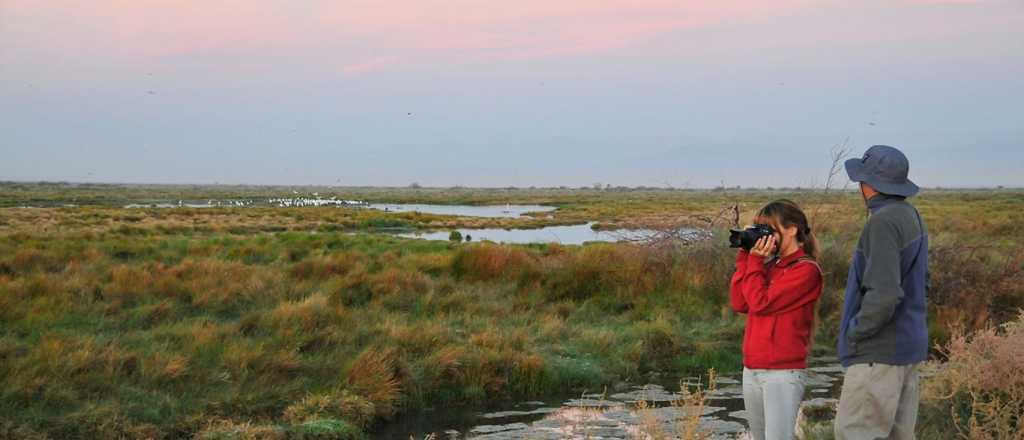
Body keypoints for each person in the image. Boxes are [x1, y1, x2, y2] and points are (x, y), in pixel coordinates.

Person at [835, 145, 929, 440]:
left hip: (878, 353)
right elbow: (922, 283)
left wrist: (857, 332)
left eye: (861, 180)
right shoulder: (910, 215)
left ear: (870, 185)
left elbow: (885, 293)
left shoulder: (883, 221)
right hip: (906, 348)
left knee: (855, 433)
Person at [730, 199, 823, 440]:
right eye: (761, 230)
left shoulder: (806, 271)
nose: (765, 236)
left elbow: (760, 303)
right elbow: (740, 302)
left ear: (791, 229)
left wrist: (754, 262)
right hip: (752, 369)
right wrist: (745, 256)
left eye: (770, 229)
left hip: (782, 372)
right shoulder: (769, 267)